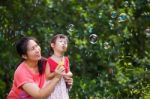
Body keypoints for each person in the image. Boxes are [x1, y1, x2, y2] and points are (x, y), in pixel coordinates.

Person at [7, 37, 73, 99]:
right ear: (24, 56)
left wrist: (67, 82)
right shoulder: (21, 72)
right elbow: (39, 95)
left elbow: (59, 79)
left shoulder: (45, 63)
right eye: (33, 49)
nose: (37, 50)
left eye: (37, 46)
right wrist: (56, 77)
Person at [45, 34, 73, 99]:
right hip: (54, 88)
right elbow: (47, 76)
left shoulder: (66, 59)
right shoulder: (49, 60)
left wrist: (68, 74)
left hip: (63, 87)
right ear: (53, 45)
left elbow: (68, 72)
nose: (63, 43)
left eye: (65, 42)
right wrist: (56, 73)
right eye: (60, 41)